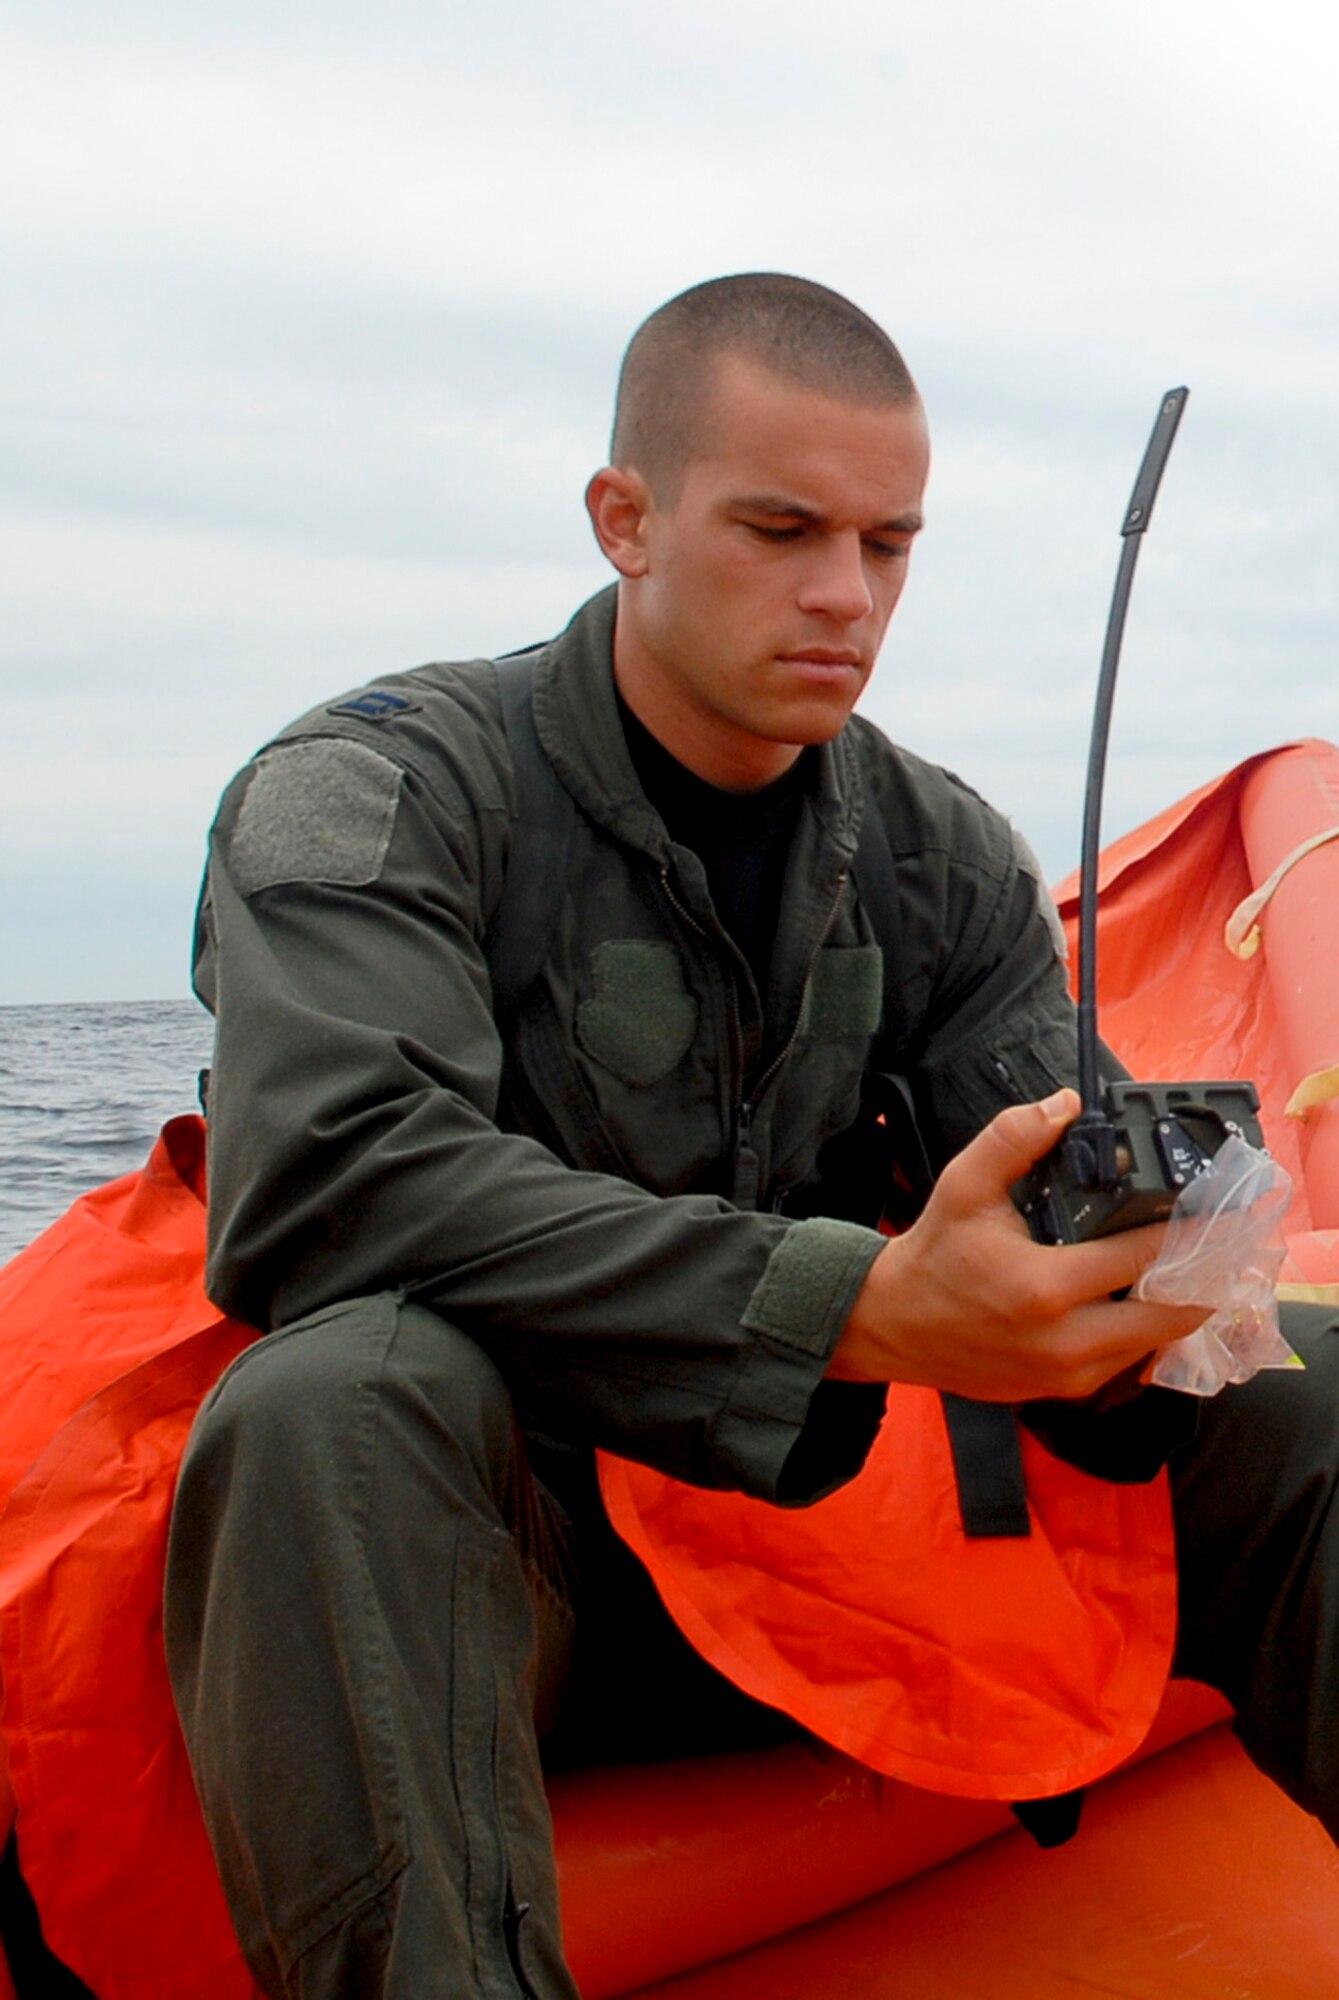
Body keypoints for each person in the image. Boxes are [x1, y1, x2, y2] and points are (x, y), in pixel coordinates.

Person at [165, 274, 1339, 2000]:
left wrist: (1172, 1256)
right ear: (625, 520)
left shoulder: (940, 849)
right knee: (334, 1400)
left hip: (836, 1546)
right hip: (504, 1572)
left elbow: (1051, 1183)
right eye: (782, 529)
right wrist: (861, 1305)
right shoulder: (379, 793)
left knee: (1306, 1371)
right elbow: (332, 1172)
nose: (843, 596)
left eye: (889, 544)